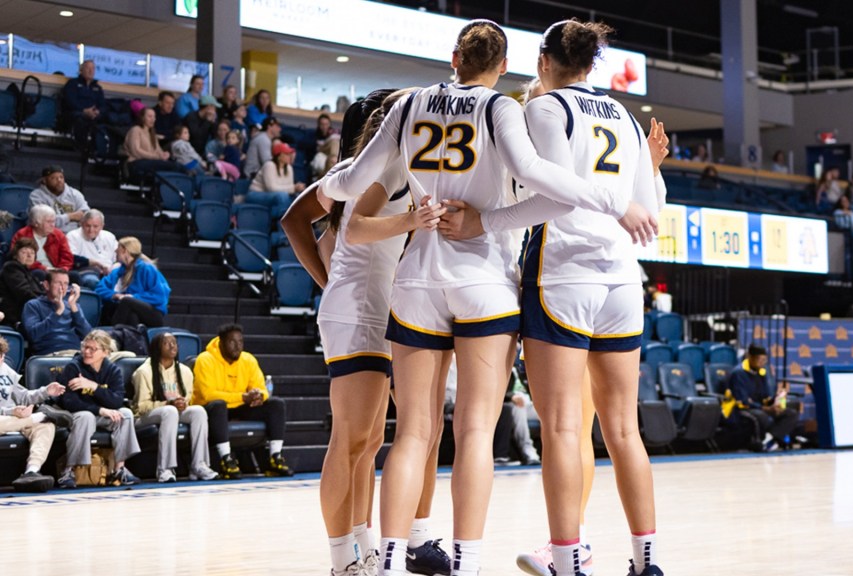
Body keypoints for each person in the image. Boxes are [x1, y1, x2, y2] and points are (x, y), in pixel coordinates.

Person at [319, 19, 657, 576]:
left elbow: (353, 181)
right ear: (504, 67)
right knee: (475, 432)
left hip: (420, 276)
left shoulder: (410, 105)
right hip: (489, 282)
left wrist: (328, 187)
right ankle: (467, 561)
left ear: (454, 56)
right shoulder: (506, 109)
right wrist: (614, 202)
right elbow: (536, 175)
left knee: (412, 435)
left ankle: (388, 561)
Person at [444, 22, 665, 576]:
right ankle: (647, 562)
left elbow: (553, 201)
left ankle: (568, 562)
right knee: (623, 430)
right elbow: (650, 207)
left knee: (564, 428)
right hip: (621, 278)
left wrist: (484, 223)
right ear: (593, 64)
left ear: (544, 61)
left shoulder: (543, 109)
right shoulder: (627, 119)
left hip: (562, 275)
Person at [282, 88, 451, 576]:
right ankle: (342, 560)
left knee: (369, 442)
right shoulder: (381, 167)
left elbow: (328, 226)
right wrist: (411, 220)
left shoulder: (372, 168)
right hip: (356, 311)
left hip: (372, 308)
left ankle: (363, 546)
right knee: (350, 440)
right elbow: (353, 229)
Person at [192, 324, 292, 479]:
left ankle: (275, 457)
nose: (237, 346)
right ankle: (226, 459)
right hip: (210, 410)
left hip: (241, 407)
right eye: (232, 342)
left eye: (240, 342)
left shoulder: (248, 359)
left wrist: (259, 396)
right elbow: (208, 395)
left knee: (276, 404)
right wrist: (243, 397)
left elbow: (262, 388)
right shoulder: (205, 359)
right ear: (221, 342)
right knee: (218, 405)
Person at [56, 330, 141, 489]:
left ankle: (119, 469)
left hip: (99, 414)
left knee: (126, 414)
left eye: (92, 349)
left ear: (106, 352)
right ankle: (68, 471)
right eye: (85, 347)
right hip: (74, 415)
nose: (86, 352)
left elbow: (116, 400)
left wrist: (93, 387)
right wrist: (100, 410)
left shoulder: (113, 370)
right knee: (86, 416)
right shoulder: (73, 368)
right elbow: (69, 402)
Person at [133, 332, 219, 483]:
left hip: (171, 412)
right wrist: (168, 403)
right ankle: (164, 469)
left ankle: (199, 465)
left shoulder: (185, 371)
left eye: (174, 342)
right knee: (169, 411)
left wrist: (182, 404)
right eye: (167, 343)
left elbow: (188, 399)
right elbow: (141, 407)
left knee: (198, 411)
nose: (173, 346)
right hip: (143, 417)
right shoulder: (143, 372)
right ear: (156, 348)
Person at [0, 335, 64, 492]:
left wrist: (46, 391)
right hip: (7, 418)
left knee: (46, 426)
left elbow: (24, 396)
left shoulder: (6, 371)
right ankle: (39, 416)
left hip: (15, 419)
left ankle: (31, 471)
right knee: (42, 419)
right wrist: (12, 411)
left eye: (1, 356)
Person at [726, 344, 799, 452]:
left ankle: (769, 440)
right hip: (739, 409)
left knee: (790, 413)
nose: (762, 363)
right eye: (759, 360)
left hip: (759, 406)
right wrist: (764, 408)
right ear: (749, 357)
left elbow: (764, 396)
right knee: (762, 415)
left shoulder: (761, 372)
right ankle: (768, 441)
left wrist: (775, 401)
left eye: (764, 360)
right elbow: (742, 401)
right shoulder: (738, 373)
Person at [94, 236, 170, 328]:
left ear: (124, 251)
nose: (115, 251)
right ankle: (131, 339)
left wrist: (134, 297)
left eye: (118, 248)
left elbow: (159, 297)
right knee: (131, 315)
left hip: (153, 314)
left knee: (127, 301)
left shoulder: (147, 269)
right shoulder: (117, 271)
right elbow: (99, 289)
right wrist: (115, 295)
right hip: (131, 311)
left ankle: (111, 335)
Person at [22, 268, 91, 356]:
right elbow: (33, 335)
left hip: (76, 353)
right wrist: (58, 312)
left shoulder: (73, 305)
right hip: (50, 354)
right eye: (58, 283)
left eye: (66, 283)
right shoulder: (33, 305)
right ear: (46, 285)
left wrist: (74, 307)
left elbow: (88, 336)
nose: (62, 287)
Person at [12, 204, 74, 277]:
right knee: (39, 274)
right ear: (36, 223)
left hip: (56, 270)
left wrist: (62, 270)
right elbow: (20, 258)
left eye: (53, 221)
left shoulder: (59, 234)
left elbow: (67, 257)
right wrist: (45, 269)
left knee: (74, 275)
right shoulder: (22, 234)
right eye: (49, 222)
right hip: (33, 270)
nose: (53, 225)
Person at [248, 142, 305, 219]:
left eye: (290, 153)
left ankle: (277, 220)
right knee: (282, 196)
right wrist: (293, 188)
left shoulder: (289, 168)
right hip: (256, 194)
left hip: (274, 196)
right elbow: (271, 188)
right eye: (287, 154)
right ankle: (283, 221)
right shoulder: (269, 165)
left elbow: (289, 188)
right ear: (279, 156)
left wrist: (295, 188)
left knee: (297, 198)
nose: (290, 156)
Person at [125, 107, 184, 181]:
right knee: (174, 166)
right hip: (136, 162)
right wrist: (157, 157)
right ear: (142, 118)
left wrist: (164, 154)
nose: (153, 119)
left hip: (151, 161)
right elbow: (136, 151)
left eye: (154, 117)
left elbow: (158, 150)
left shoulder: (152, 133)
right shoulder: (136, 130)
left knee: (178, 165)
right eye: (150, 116)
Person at [66, 209, 118, 289]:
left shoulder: (109, 237)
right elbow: (71, 258)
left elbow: (118, 257)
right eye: (88, 226)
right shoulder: (72, 236)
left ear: (102, 226)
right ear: (81, 224)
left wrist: (112, 268)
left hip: (110, 271)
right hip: (85, 271)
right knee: (92, 281)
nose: (91, 230)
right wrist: (94, 263)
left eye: (95, 226)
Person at [29, 165, 89, 233]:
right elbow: (43, 222)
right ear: (44, 180)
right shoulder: (36, 196)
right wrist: (70, 217)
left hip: (73, 235)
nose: (59, 180)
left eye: (61, 177)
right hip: (48, 235)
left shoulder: (75, 194)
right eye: (54, 178)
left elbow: (87, 216)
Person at [0, 237, 45, 326]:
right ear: (15, 255)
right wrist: (44, 305)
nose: (29, 255)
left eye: (32, 253)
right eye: (24, 252)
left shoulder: (29, 273)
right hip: (16, 315)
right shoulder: (11, 267)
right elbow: (23, 292)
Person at [62, 60, 105, 150]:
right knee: (80, 120)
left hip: (93, 115)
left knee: (105, 121)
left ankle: (99, 151)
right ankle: (81, 150)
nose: (91, 71)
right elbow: (70, 101)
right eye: (88, 68)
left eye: (93, 68)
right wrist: (84, 111)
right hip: (76, 114)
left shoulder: (97, 87)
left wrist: (97, 111)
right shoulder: (72, 84)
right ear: (81, 70)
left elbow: (102, 104)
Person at [311, 113, 341, 178]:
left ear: (329, 124)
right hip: (320, 155)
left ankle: (334, 159)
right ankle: (335, 159)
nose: (324, 127)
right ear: (319, 125)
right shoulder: (314, 135)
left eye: (326, 124)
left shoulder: (334, 132)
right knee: (334, 142)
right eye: (322, 124)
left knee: (334, 143)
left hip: (331, 157)